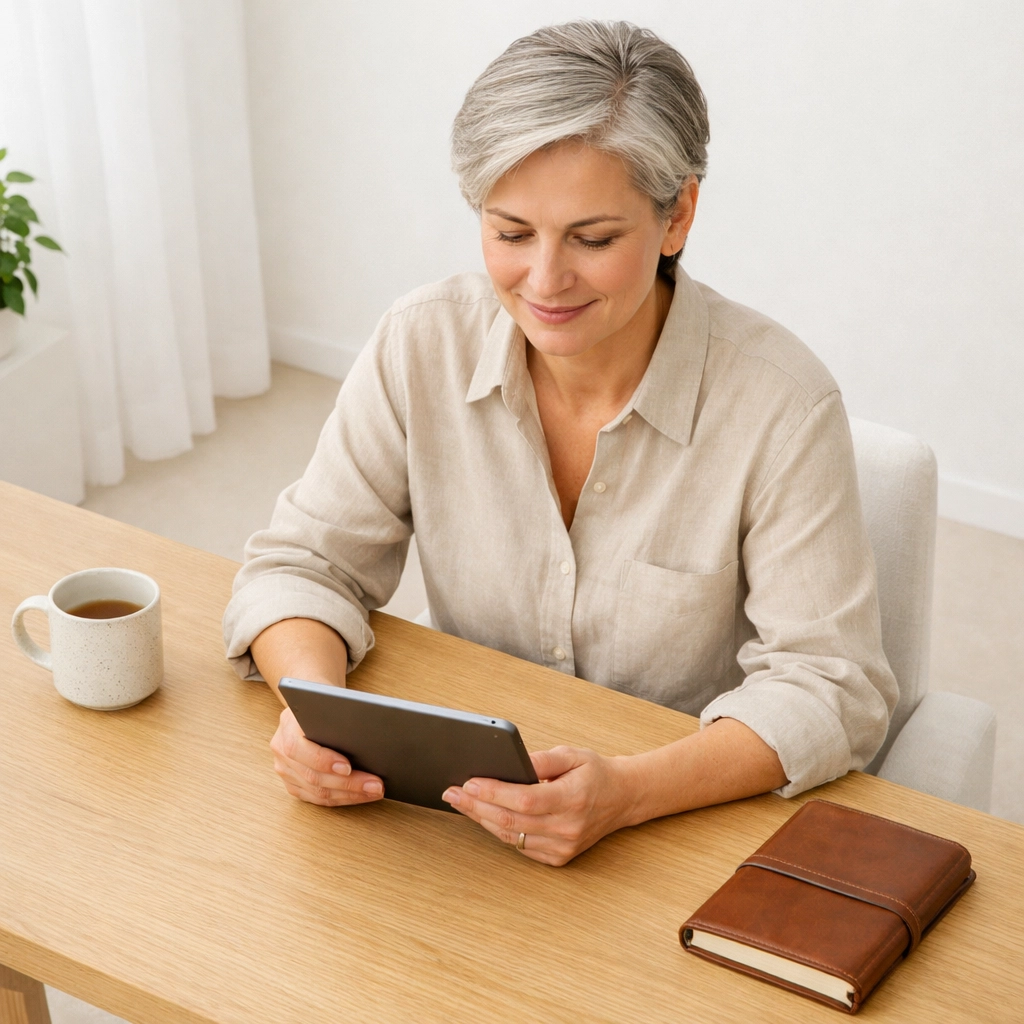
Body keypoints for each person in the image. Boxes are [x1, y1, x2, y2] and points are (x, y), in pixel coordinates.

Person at [223, 20, 898, 866]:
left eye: (593, 239)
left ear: (678, 213)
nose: (544, 283)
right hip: (451, 817)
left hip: (677, 821)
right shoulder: (419, 342)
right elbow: (301, 565)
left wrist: (630, 793)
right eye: (511, 234)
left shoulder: (781, 404)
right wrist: (312, 710)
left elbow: (834, 687)